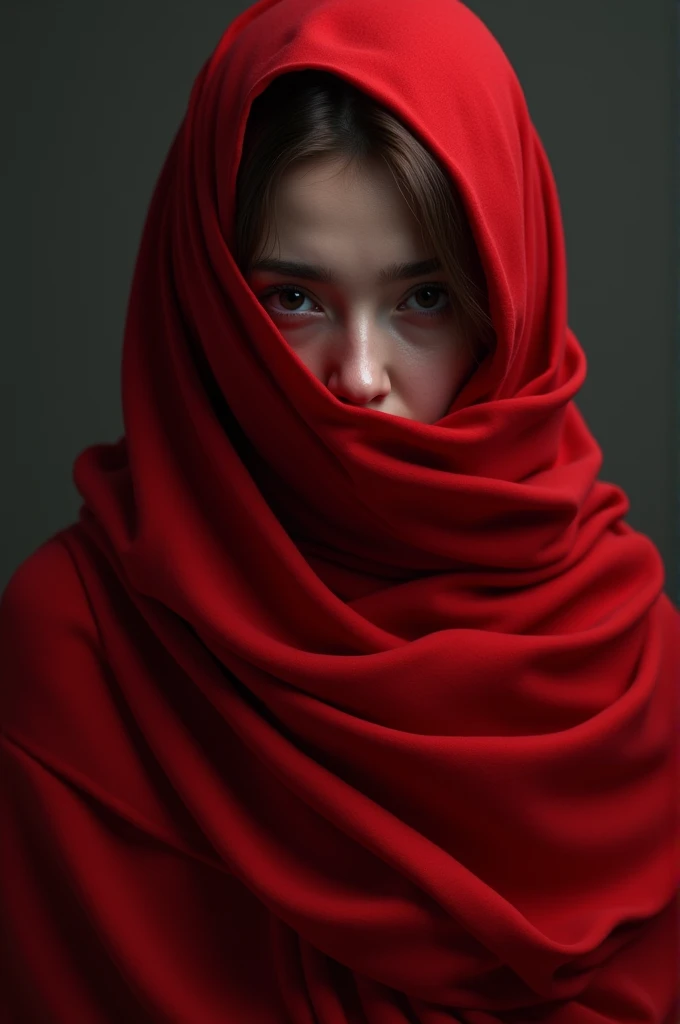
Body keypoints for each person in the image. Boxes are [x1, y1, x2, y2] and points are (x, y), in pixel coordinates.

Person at [1, 0, 678, 1021]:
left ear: (510, 307)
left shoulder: (635, 671)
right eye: (291, 299)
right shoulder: (78, 648)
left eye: (424, 298)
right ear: (208, 302)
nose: (356, 378)